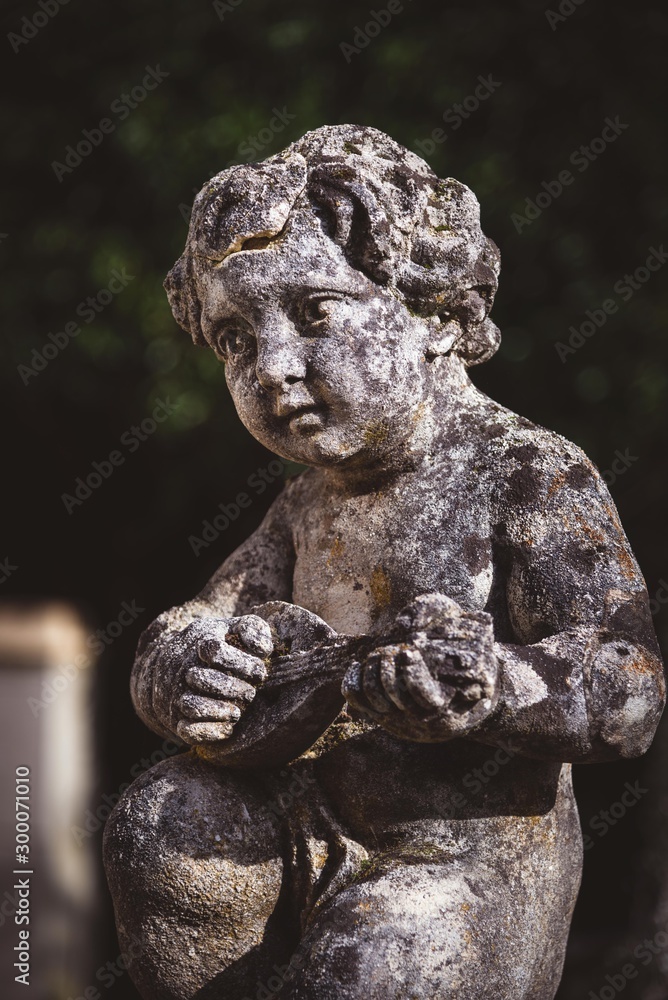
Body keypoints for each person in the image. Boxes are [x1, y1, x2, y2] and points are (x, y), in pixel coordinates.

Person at [104, 125, 665, 1000]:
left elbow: (629, 688)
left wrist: (491, 683)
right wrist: (182, 668)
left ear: (435, 313)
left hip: (455, 875)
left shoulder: (526, 471)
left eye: (314, 312)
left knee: (377, 960)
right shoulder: (303, 504)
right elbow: (189, 623)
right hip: (301, 824)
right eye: (236, 341)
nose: (274, 368)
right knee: (161, 823)